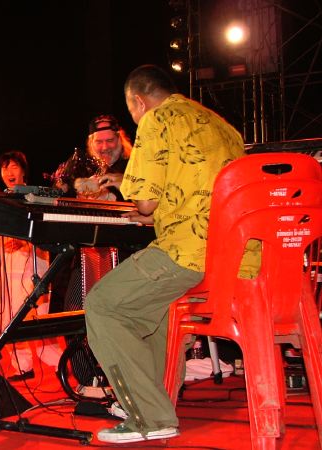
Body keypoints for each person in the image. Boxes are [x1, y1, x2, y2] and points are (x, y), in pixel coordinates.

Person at [84, 64, 246, 444]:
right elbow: (201, 193)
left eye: (132, 111)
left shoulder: (158, 119)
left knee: (103, 305)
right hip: (233, 256)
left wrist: (144, 208)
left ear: (139, 102)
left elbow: (145, 202)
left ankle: (149, 414)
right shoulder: (224, 127)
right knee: (154, 309)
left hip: (190, 252)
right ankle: (154, 401)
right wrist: (154, 214)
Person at [0, 151, 61, 381]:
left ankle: (58, 361)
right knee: (8, 321)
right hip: (8, 274)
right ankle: (22, 366)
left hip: (34, 270)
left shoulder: (35, 198)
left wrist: (24, 242)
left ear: (23, 171)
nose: (9, 172)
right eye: (5, 168)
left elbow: (48, 233)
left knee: (37, 321)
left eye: (14, 167)